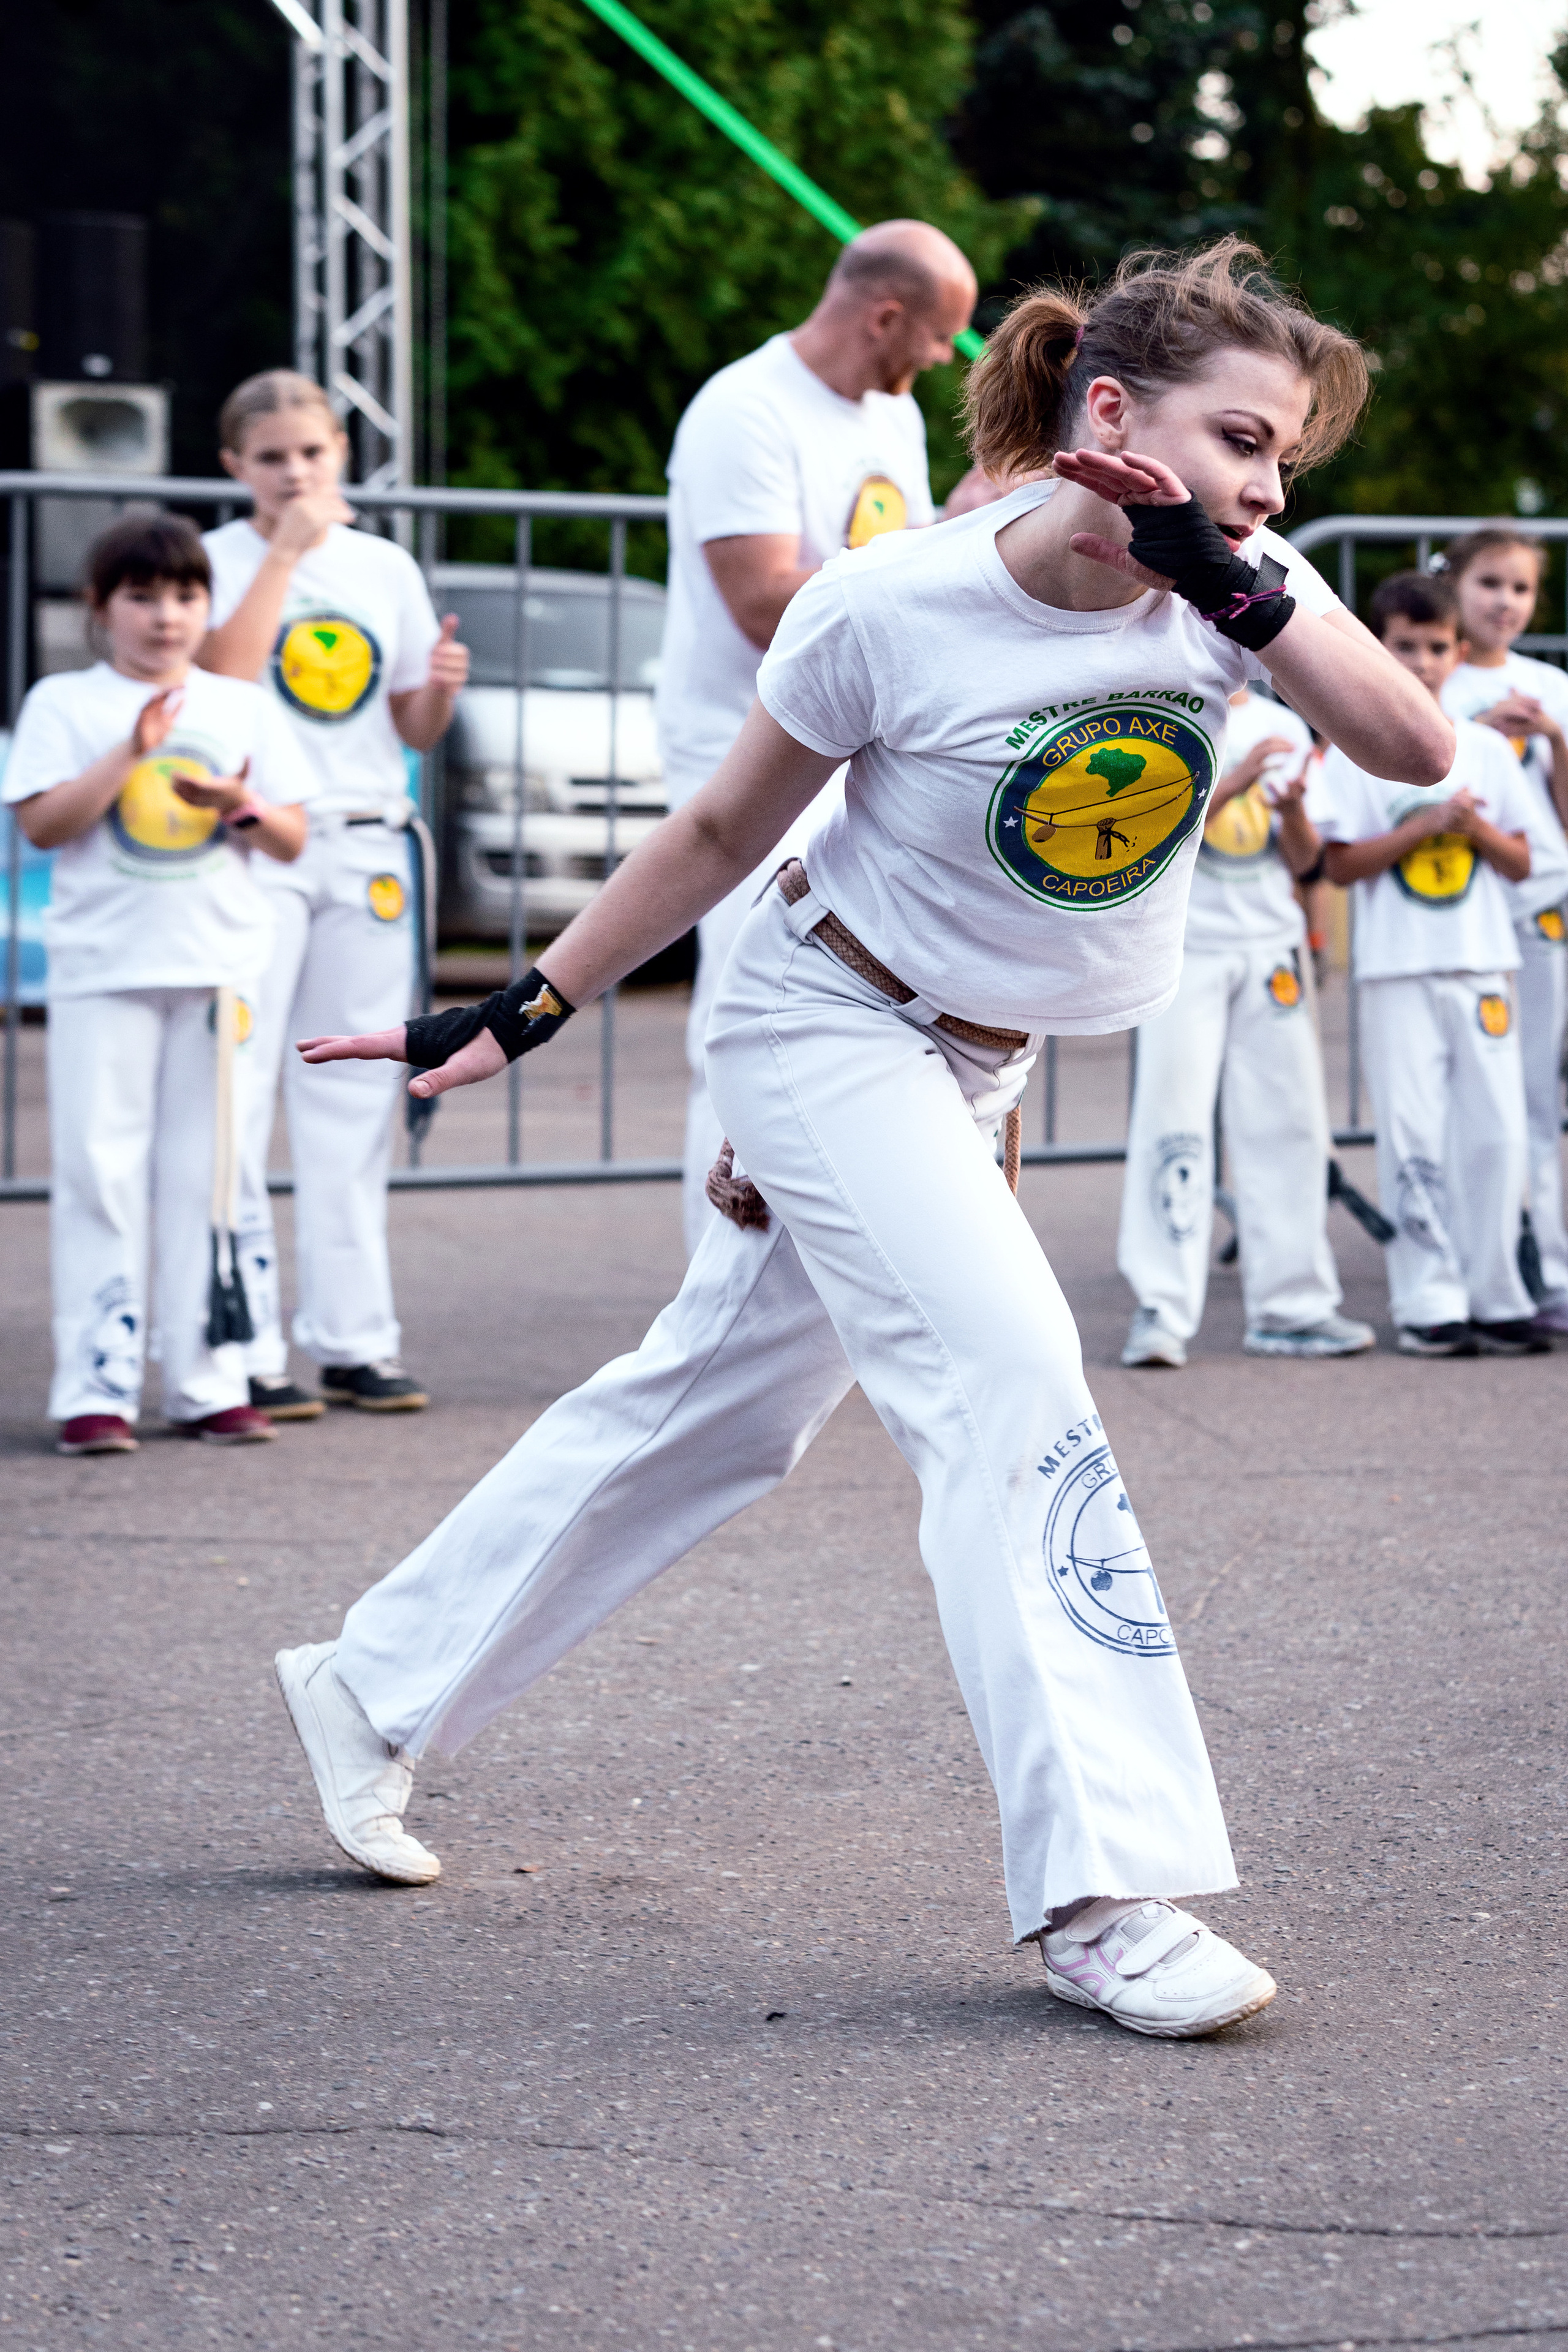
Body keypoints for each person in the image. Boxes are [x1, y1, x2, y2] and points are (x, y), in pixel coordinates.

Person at [274, 240, 1451, 2039]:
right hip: (824, 1017)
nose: (1271, 487)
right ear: (1112, 416)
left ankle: (370, 1688)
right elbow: (718, 832)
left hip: (962, 1065)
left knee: (715, 1409)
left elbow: (1413, 739)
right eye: (1243, 441)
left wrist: (1224, 568)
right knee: (1011, 1371)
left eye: (1286, 460)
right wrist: (517, 1009)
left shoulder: (1236, 584)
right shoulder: (894, 606)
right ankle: (1097, 1893)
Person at [656, 221, 974, 1251]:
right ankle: (721, 1269)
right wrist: (939, 547)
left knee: (847, 1009)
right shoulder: (743, 411)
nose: (939, 361)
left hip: (858, 754)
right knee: (751, 1011)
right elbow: (761, 603)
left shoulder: (894, 415)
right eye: (935, 338)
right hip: (741, 753)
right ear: (886, 313)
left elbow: (905, 573)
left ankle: (815, 1255)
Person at [2, 516, 311, 1453]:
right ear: (101, 608)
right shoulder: (65, 701)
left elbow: (291, 835)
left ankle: (207, 1376)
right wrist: (130, 752)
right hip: (106, 968)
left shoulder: (241, 704)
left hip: (222, 967)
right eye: (142, 597)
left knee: (211, 1175)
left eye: (184, 597)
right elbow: (45, 826)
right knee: (101, 1170)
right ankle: (96, 1382)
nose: (166, 617)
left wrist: (238, 807)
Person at [197, 369, 470, 1417]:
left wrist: (437, 690)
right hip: (256, 841)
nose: (295, 473)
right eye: (271, 458)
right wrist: (283, 550)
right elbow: (218, 683)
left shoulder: (381, 564)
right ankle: (246, 1345)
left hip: (363, 842)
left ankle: (354, 1337)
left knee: (353, 1094)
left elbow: (409, 727)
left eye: (310, 454)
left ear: (341, 454)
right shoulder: (218, 560)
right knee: (242, 1083)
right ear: (236, 467)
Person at [1309, 571, 1564, 1357]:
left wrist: (1473, 831)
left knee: (1495, 1135)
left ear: (1459, 653)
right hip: (1397, 971)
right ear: (1379, 648)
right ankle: (1429, 1299)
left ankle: (1497, 1291)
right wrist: (1424, 829)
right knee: (1413, 1132)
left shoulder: (1486, 750)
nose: (1419, 662)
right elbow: (1340, 866)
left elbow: (1522, 861)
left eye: (1434, 647)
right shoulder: (1355, 750)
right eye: (1403, 646)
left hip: (1483, 965)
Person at [1118, 682, 1373, 1365]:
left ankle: (1293, 1306)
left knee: (1288, 1123)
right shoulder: (1151, 709)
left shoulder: (1281, 726)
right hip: (1183, 952)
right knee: (1171, 1120)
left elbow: (1306, 863)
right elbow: (1136, 840)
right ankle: (1162, 1308)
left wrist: (1290, 813)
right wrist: (1230, 784)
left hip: (1269, 949)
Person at [1437, 528, 1568, 1333]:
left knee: (1533, 1091)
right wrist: (1481, 733)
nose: (1504, 603)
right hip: (1459, 912)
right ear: (1457, 587)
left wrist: (1551, 738)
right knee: (1466, 1091)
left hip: (1541, 902)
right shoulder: (1437, 686)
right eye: (1490, 583)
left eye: (1519, 589)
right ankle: (1466, 1257)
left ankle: (1547, 1264)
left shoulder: (1551, 685)